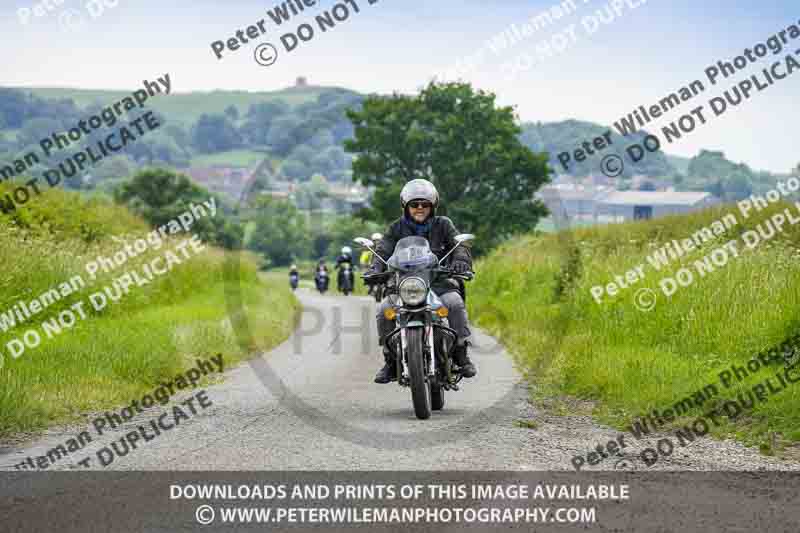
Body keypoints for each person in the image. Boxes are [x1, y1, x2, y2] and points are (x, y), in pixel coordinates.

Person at [367, 179, 476, 384]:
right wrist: (376, 267)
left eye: (424, 204)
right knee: (384, 311)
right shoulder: (396, 228)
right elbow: (383, 248)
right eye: (414, 204)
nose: (419, 208)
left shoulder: (443, 224)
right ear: (405, 206)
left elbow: (458, 245)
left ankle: (461, 353)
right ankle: (390, 360)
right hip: (403, 286)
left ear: (432, 206)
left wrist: (461, 260)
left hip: (437, 283)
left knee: (454, 303)